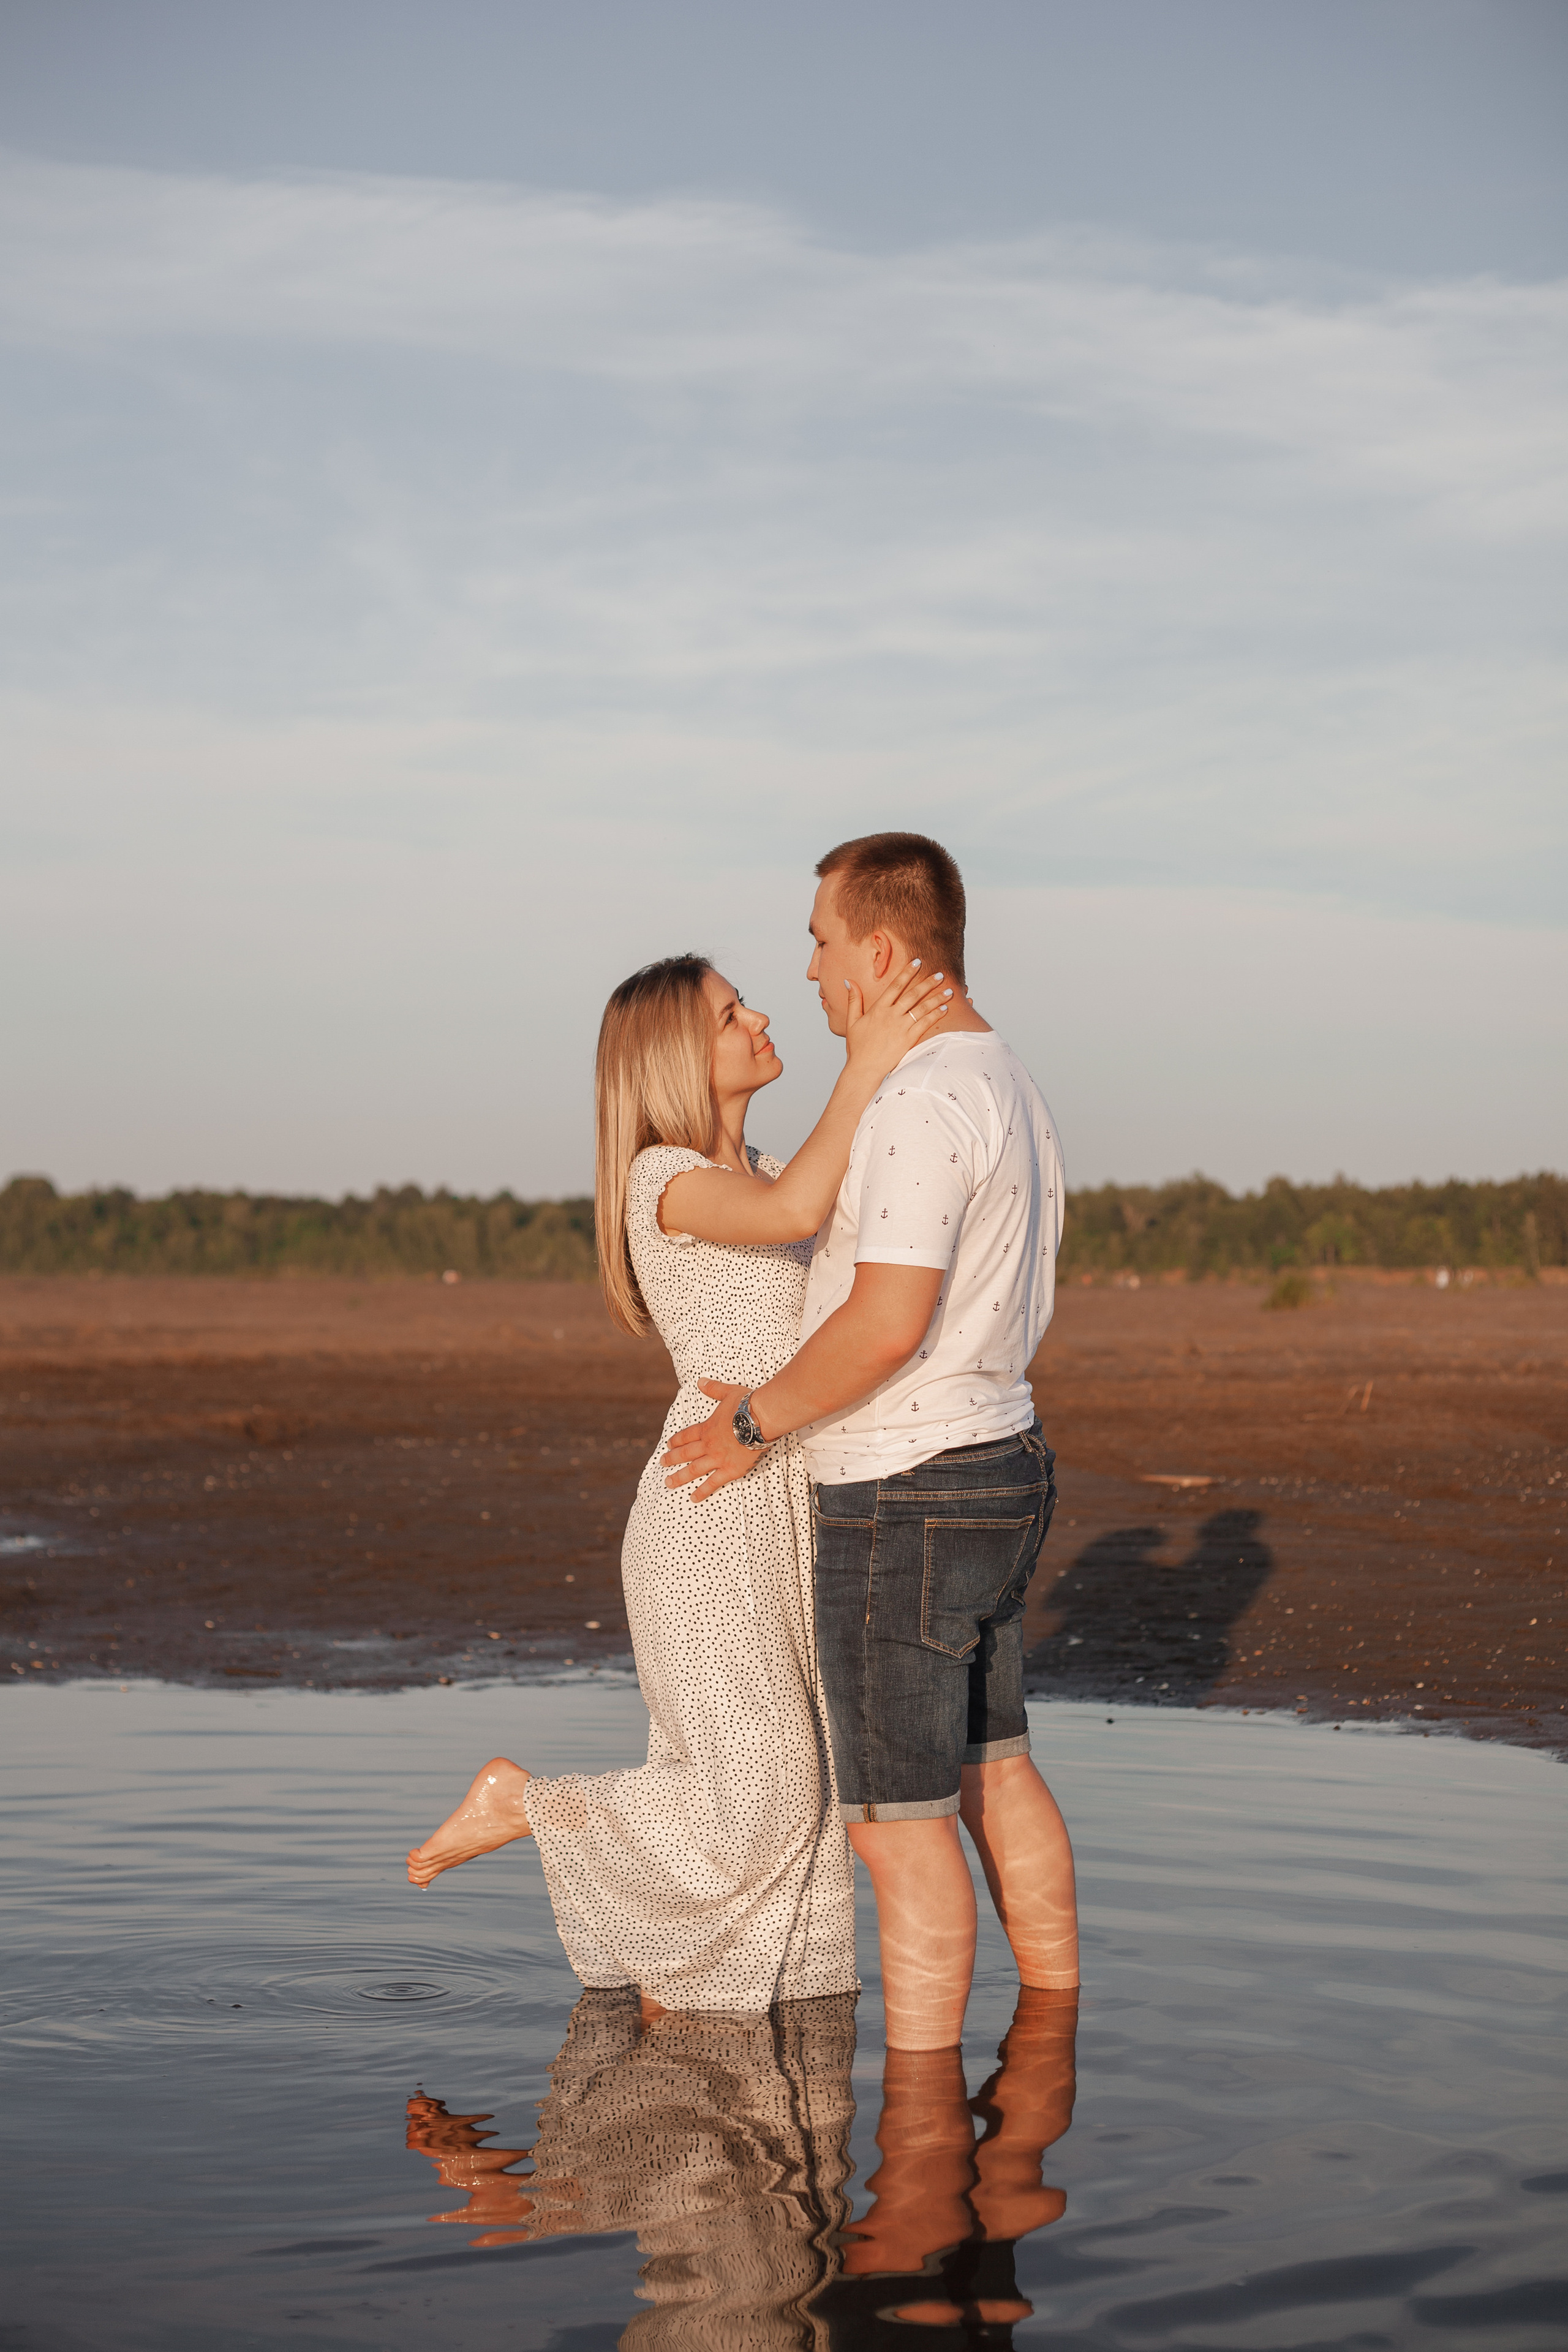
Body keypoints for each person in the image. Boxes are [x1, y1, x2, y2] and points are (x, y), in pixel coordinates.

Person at [405, 948, 952, 2013]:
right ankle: (524, 1803)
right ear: (672, 1060)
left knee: (793, 1795)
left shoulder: (766, 1166)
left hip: (788, 1506)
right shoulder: (665, 1179)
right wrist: (871, 1054)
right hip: (709, 1514)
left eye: (747, 1004)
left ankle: (692, 1993)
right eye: (730, 1014)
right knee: (764, 1792)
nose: (760, 1019)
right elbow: (794, 1212)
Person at [662, 832, 1079, 2050]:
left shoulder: (918, 1099)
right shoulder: (1005, 1077)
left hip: (904, 1490)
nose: (810, 971)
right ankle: (1050, 2048)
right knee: (994, 1769)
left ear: (882, 952)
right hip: (1003, 1460)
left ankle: (923, 2122)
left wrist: (753, 1421)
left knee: (897, 1827)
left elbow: (885, 1321)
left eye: (821, 942)